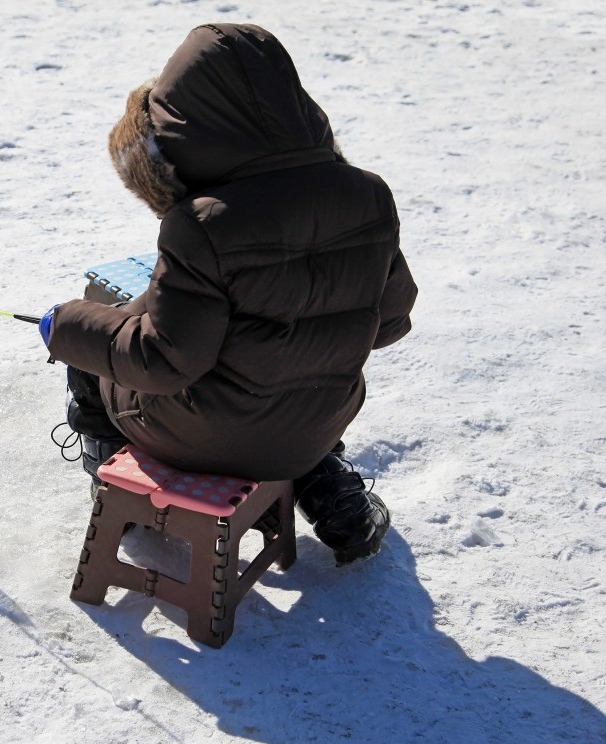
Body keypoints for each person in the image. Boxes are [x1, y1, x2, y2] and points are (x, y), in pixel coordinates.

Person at [40, 23, 417, 564]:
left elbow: (162, 361)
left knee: (91, 337)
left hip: (198, 437)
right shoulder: (369, 194)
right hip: (317, 423)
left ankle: (114, 488)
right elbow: (390, 322)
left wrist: (67, 325)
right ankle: (330, 488)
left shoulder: (203, 224)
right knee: (282, 386)